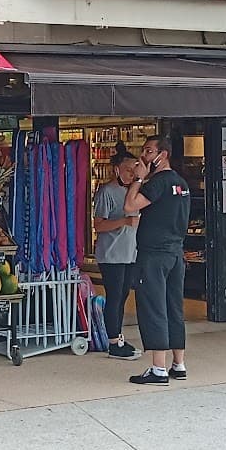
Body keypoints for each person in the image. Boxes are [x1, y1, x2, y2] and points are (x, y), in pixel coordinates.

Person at [124, 135, 192, 385]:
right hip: (176, 253)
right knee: (174, 306)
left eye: (149, 151)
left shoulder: (158, 183)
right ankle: (179, 363)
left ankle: (158, 368)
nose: (144, 156)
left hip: (153, 254)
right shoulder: (182, 184)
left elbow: (130, 206)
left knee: (153, 307)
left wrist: (138, 179)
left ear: (162, 155)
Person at [92, 153, 140, 359]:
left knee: (123, 297)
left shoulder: (135, 192)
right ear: (117, 169)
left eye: (134, 170)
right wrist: (124, 221)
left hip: (130, 253)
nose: (131, 174)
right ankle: (113, 341)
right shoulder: (107, 192)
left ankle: (118, 337)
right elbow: (98, 224)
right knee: (114, 297)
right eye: (128, 170)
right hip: (111, 254)